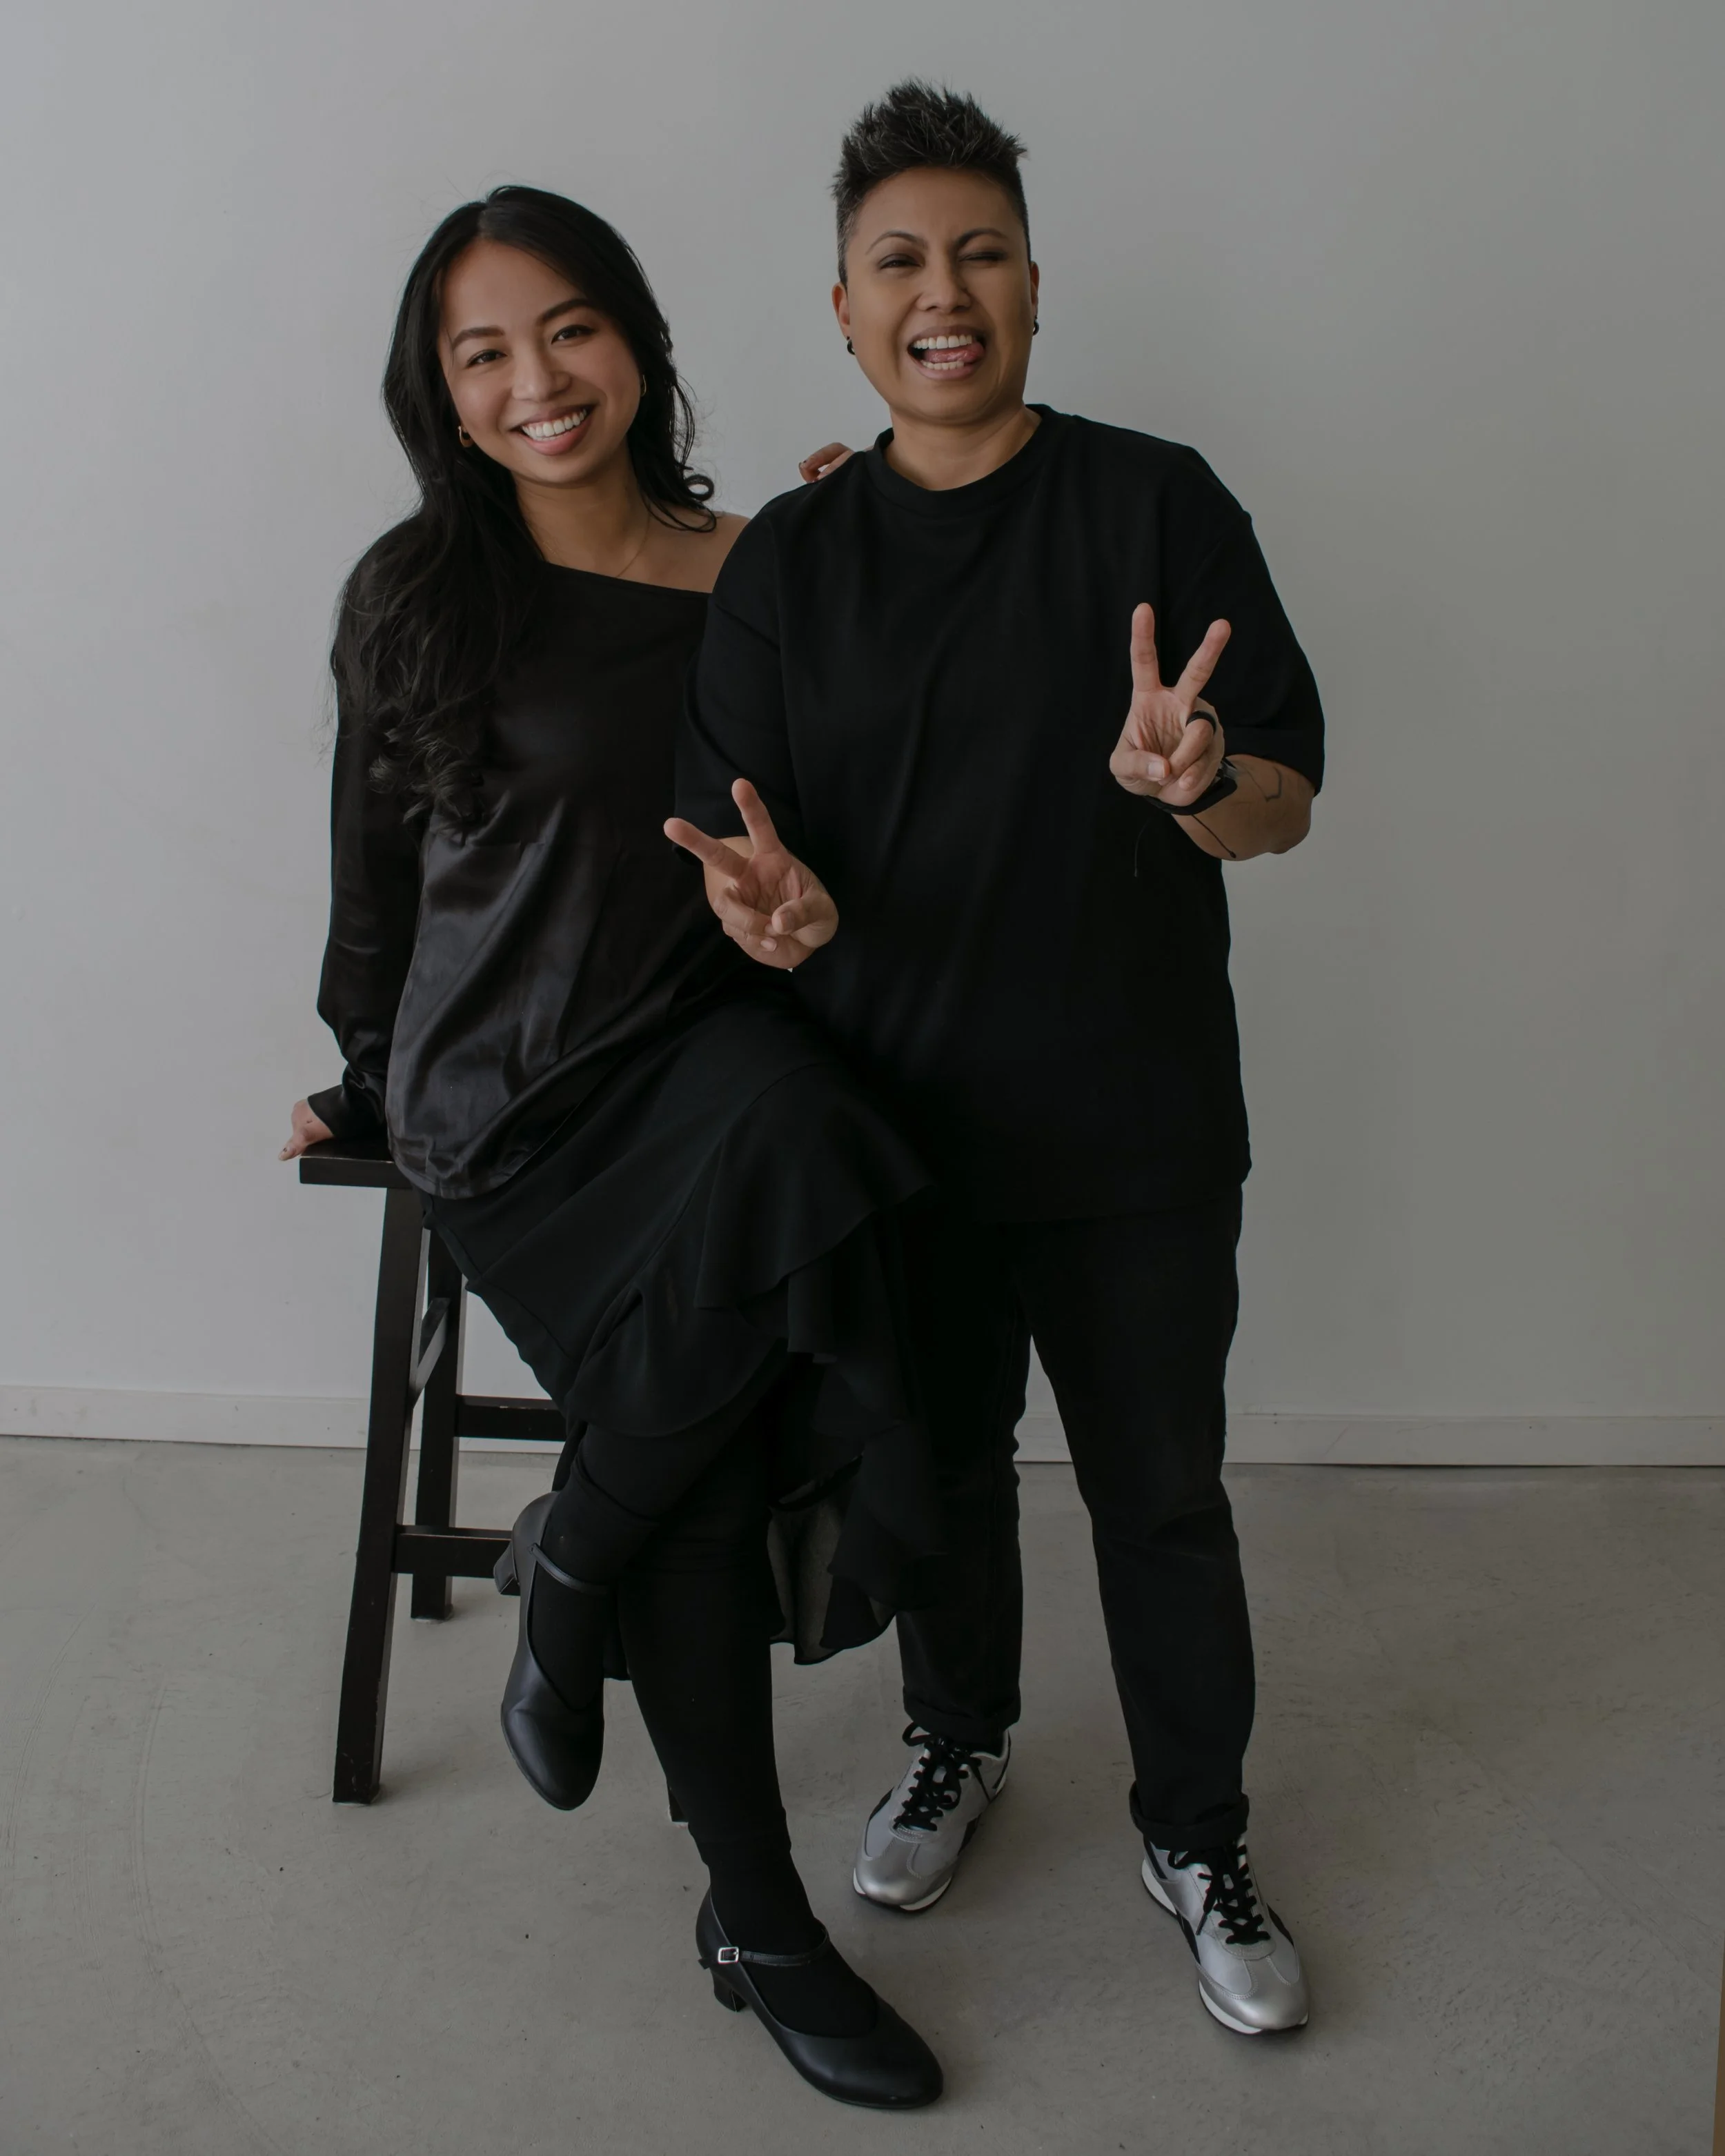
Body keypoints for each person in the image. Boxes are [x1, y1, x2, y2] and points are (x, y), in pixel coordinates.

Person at [280, 186, 945, 2110]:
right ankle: (759, 1907)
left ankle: (575, 1546)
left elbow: (848, 840)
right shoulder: (414, 596)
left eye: (564, 329)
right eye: (480, 352)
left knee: (812, 1134)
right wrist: (354, 1069)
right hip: (512, 1097)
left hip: (711, 1062)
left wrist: (865, 563)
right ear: (442, 391)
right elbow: (373, 881)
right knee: (729, 1404)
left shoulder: (761, 569)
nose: (533, 380)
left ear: (634, 339)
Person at [672, 83, 1323, 2038]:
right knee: (938, 1474)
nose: (940, 291)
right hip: (895, 1137)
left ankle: (1195, 1827)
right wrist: (764, 915)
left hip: (1131, 1129)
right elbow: (741, 850)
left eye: (976, 253)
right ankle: (957, 1736)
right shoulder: (788, 557)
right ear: (848, 309)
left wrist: (1201, 780)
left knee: (1161, 1498)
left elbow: (1285, 799)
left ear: (1031, 284)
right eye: (900, 261)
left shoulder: (1157, 501)